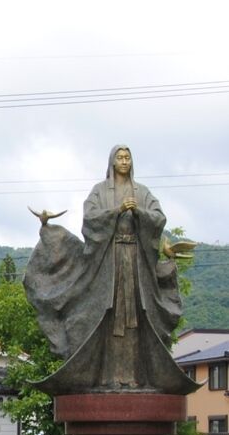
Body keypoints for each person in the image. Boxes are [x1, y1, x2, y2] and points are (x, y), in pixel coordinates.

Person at [23, 145, 198, 395]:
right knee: (109, 317)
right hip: (108, 262)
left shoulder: (143, 192)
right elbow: (90, 220)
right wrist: (117, 210)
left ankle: (136, 377)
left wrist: (138, 211)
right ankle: (107, 378)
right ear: (112, 162)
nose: (124, 161)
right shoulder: (99, 191)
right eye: (120, 157)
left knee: (135, 318)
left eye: (128, 157)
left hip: (136, 262)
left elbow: (158, 218)